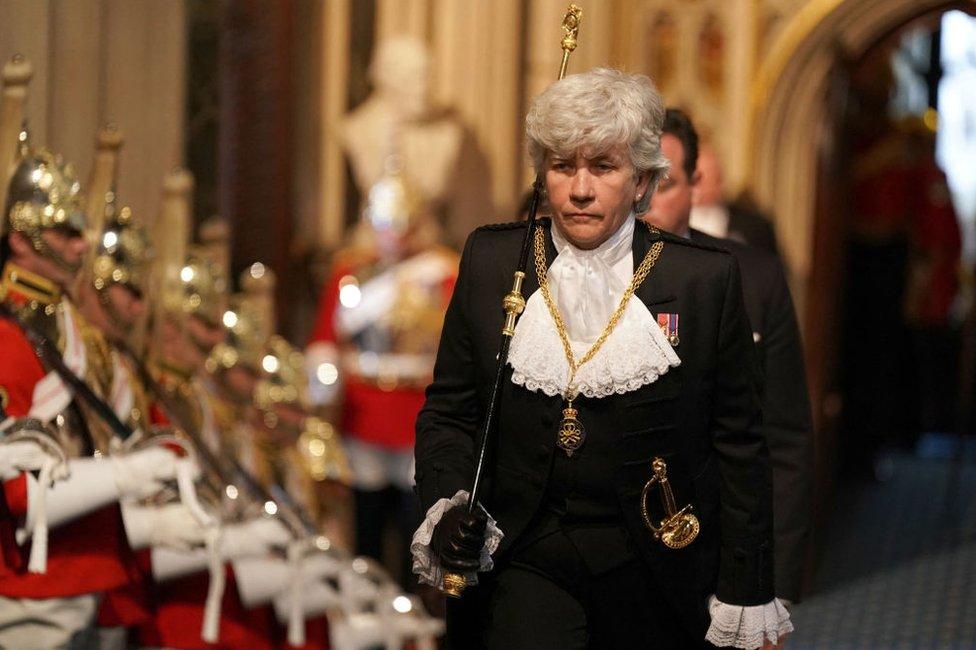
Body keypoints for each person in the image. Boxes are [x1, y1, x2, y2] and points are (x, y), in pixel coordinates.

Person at [412, 68, 790, 649]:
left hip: (654, 569)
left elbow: (739, 445)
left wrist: (747, 587)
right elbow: (451, 412)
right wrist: (448, 501)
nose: (580, 189)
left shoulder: (702, 279)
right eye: (563, 166)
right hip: (521, 556)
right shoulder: (493, 260)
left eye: (603, 167)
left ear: (641, 182)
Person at [646, 107, 814, 606]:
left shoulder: (752, 277)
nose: (646, 200)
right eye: (635, 177)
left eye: (665, 182)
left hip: (719, 551)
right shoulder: (575, 279)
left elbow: (784, 442)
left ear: (695, 186)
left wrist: (776, 590)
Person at [690, 143, 780, 256]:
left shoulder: (754, 227)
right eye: (699, 177)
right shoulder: (668, 222)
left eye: (715, 176)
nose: (708, 185)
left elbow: (772, 268)